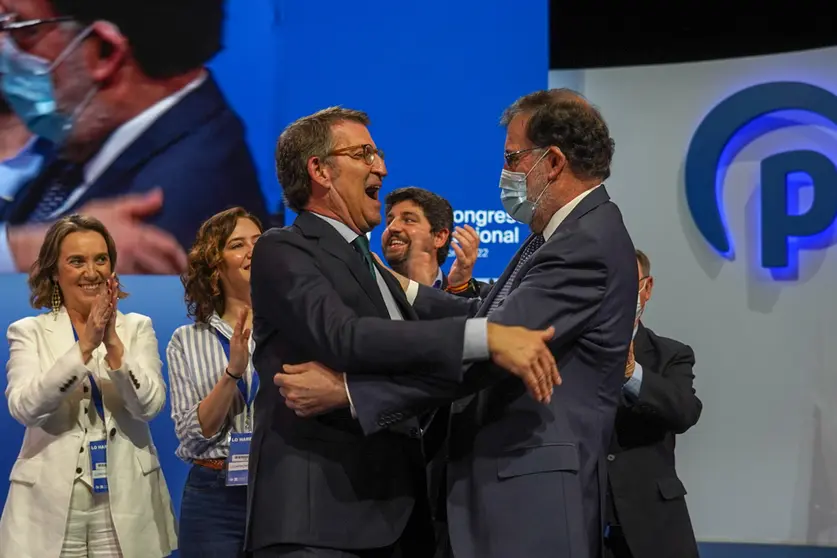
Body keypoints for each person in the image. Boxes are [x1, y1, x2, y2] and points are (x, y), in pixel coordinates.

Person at [275, 89, 638, 558]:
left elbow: (493, 353)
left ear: (551, 162)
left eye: (512, 157)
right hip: (502, 493)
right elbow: (485, 324)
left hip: (529, 500)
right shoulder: (559, 237)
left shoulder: (584, 244)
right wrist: (400, 288)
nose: (506, 172)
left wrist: (352, 393)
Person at [247, 106, 558, 558]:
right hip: (319, 526)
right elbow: (345, 337)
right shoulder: (284, 248)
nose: (382, 167)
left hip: (397, 521)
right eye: (364, 153)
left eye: (379, 153)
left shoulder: (370, 267)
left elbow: (424, 348)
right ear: (320, 170)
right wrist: (484, 338)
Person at [0, 0, 269, 275]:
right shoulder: (90, 135)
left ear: (104, 52)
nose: (3, 46)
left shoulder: (166, 216)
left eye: (21, 28)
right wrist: (19, 252)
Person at [0, 214, 177, 557]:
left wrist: (112, 345)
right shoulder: (28, 332)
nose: (91, 272)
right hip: (50, 508)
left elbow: (149, 407)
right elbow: (26, 409)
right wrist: (82, 348)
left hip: (124, 503)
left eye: (101, 259)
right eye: (76, 261)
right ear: (54, 271)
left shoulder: (136, 328)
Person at [167, 207, 263, 558]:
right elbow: (194, 433)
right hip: (213, 496)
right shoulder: (186, 340)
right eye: (238, 244)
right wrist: (232, 374)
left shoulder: (291, 328)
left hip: (279, 488)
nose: (253, 250)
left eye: (259, 241)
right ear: (215, 267)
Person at [603, 249, 702, 558]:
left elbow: (685, 411)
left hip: (654, 528)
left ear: (647, 288)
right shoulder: (569, 352)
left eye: (628, 283)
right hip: (582, 521)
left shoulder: (671, 355)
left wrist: (633, 374)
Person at [381, 186, 487, 297]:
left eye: (408, 220)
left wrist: (459, 289)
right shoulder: (369, 293)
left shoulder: (469, 295)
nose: (392, 227)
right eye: (389, 221)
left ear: (439, 237)